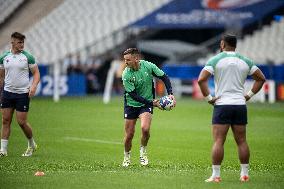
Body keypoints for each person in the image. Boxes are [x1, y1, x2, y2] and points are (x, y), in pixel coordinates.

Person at [198, 34, 266, 182]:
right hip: (240, 105)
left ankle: (216, 176)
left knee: (218, 141)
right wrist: (248, 96)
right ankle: (245, 174)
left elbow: (201, 79)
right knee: (242, 141)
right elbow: (261, 79)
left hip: (222, 105)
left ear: (222, 44)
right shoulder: (245, 60)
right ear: (235, 45)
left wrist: (209, 99)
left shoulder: (215, 59)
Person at [121, 48, 176, 167]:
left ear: (136, 58)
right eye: (125, 60)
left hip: (146, 105)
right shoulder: (126, 74)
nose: (125, 62)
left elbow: (164, 77)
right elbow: (133, 96)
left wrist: (170, 94)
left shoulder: (148, 66)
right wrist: (153, 103)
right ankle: (127, 156)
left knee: (145, 129)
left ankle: (143, 152)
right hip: (131, 105)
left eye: (128, 60)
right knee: (129, 135)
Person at [0, 32, 40, 157]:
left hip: (22, 94)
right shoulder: (4, 57)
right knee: (5, 121)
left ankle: (31, 144)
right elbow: (1, 76)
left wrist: (33, 86)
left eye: (23, 42)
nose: (22, 45)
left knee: (21, 122)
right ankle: (3, 150)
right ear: (12, 43)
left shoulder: (28, 57)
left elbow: (36, 74)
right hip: (7, 93)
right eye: (19, 42)